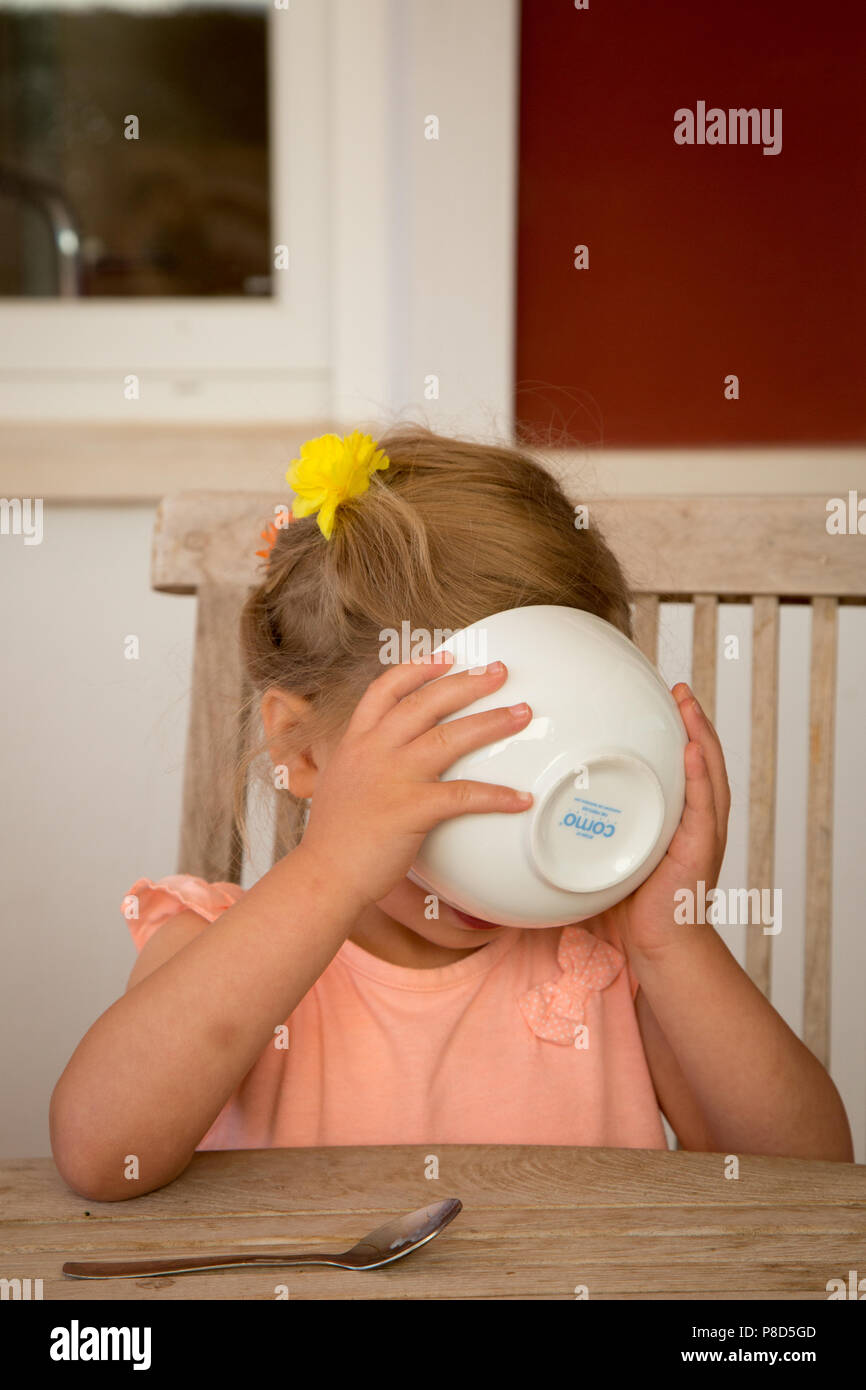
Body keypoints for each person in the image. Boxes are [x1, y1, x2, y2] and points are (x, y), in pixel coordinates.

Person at [49, 425, 853, 1200]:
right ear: (303, 750)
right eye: (443, 772)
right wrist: (327, 872)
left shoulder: (615, 960)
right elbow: (99, 1156)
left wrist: (675, 937)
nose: (520, 817)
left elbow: (809, 1184)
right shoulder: (215, 944)